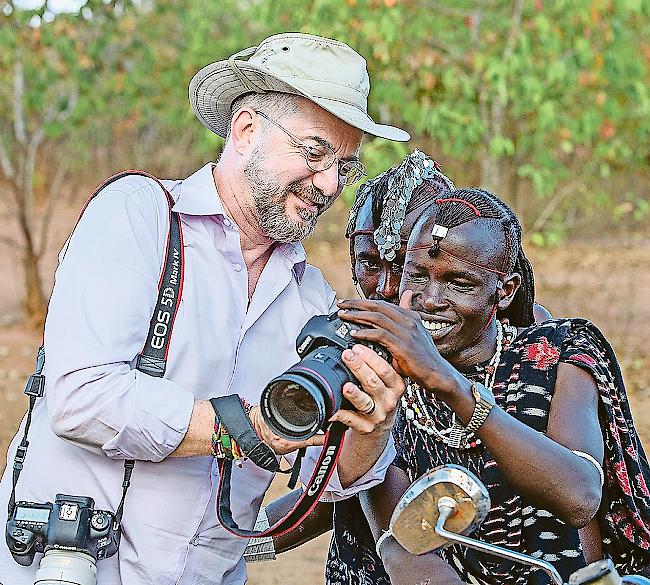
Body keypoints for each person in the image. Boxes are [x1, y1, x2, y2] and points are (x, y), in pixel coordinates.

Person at [0, 33, 412, 585]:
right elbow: (80, 399)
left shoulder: (312, 299)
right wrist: (244, 426)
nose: (330, 184)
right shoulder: (139, 216)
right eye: (315, 154)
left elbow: (328, 479)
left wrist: (370, 425)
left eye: (345, 165)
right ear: (246, 131)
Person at [333, 177, 650, 583]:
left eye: (458, 282)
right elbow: (406, 553)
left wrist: (449, 383)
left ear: (505, 291)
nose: (429, 299)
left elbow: (580, 497)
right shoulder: (381, 389)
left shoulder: (559, 353)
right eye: (417, 276)